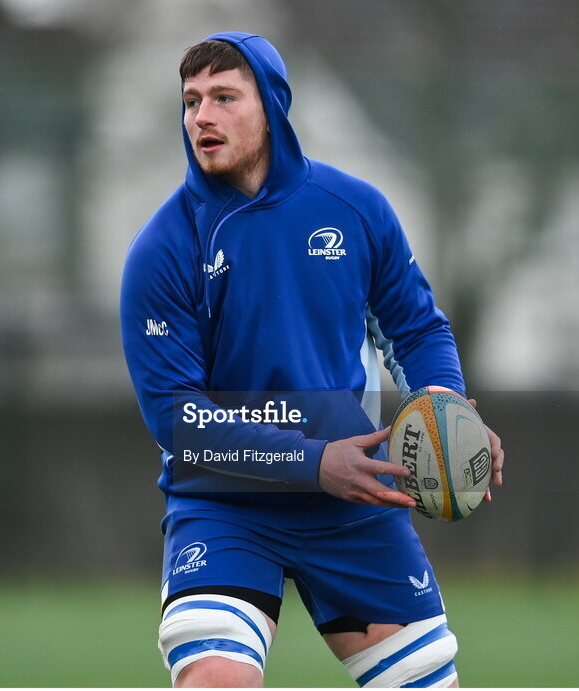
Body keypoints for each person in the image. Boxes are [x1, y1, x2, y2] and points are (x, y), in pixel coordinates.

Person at [120, 32, 504, 688]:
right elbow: (177, 419)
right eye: (190, 101)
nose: (201, 117)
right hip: (227, 503)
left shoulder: (354, 210)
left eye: (222, 97)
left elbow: (414, 327)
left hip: (352, 500)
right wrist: (313, 462)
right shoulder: (161, 249)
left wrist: (449, 408)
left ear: (271, 105)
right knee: (217, 678)